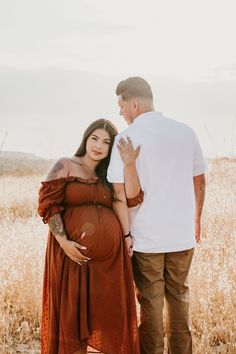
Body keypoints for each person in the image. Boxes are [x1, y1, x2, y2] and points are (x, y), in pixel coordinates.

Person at [107, 77, 207, 354]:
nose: (120, 112)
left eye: (121, 105)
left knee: (150, 308)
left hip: (146, 239)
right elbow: (199, 181)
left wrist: (126, 233)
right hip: (181, 236)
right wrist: (196, 219)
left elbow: (118, 194)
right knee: (179, 302)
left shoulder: (125, 139)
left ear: (134, 104)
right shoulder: (185, 131)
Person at [38, 119, 142, 354]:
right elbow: (48, 204)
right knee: (72, 320)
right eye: (94, 138)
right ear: (86, 138)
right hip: (71, 257)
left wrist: (129, 164)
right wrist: (63, 242)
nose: (98, 146)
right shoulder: (65, 164)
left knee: (108, 314)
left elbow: (131, 198)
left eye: (106, 142)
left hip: (109, 262)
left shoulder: (109, 175)